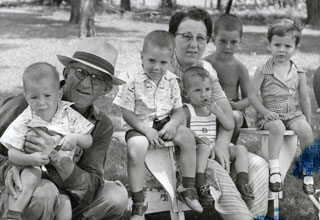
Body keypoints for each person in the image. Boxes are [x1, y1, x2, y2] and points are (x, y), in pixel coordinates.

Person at [0, 38, 129, 220]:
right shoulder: (32, 103)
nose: (85, 84)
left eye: (97, 79)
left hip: (67, 196)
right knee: (46, 194)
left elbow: (91, 185)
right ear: (66, 73)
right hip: (23, 189)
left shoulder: (101, 125)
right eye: (81, 72)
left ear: (106, 89)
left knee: (116, 196)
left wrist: (59, 159)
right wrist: (9, 167)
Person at [169, 7, 269, 220]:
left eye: (200, 38)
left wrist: (223, 143)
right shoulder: (162, 68)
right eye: (186, 36)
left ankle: (256, 215)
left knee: (259, 165)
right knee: (215, 169)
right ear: (172, 37)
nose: (194, 44)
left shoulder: (205, 68)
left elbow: (224, 109)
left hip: (210, 141)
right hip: (183, 151)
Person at [113, 30, 203, 220]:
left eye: (163, 62)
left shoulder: (172, 81)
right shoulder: (132, 81)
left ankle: (187, 187)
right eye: (152, 60)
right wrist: (146, 130)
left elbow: (178, 110)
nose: (156, 67)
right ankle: (139, 202)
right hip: (138, 124)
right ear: (142, 57)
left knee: (187, 136)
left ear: (170, 61)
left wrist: (173, 124)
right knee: (136, 148)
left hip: (164, 123)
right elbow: (126, 112)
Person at [0, 62, 95, 220]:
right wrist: (29, 159)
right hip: (34, 169)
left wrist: (75, 137)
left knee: (65, 205)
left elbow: (88, 140)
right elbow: (12, 153)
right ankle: (13, 215)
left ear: (58, 94)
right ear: (26, 97)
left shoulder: (69, 114)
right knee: (31, 175)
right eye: (34, 97)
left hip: (61, 176)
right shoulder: (26, 118)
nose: (41, 102)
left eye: (47, 96)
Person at [249, 18, 314, 194]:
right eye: (277, 45)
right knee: (277, 127)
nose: (282, 50)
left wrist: (307, 120)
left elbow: (304, 98)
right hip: (270, 112)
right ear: (268, 44)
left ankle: (307, 169)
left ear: (295, 48)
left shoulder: (298, 72)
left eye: (287, 46)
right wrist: (264, 112)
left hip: (292, 112)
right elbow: (252, 95)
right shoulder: (263, 69)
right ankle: (274, 169)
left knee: (307, 131)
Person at [183, 66, 254, 201]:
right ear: (187, 94)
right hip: (200, 150)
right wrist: (194, 136)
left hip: (216, 148)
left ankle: (242, 181)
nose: (204, 94)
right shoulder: (187, 111)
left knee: (241, 149)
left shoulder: (214, 109)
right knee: (203, 148)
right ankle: (200, 182)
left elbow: (229, 125)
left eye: (208, 89)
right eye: (198, 90)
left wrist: (219, 112)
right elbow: (181, 131)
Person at [204, 14, 250, 144]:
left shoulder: (240, 68)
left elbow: (249, 98)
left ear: (241, 42)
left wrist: (235, 105)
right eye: (223, 41)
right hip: (210, 107)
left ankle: (229, 145)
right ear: (213, 39)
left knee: (234, 117)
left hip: (233, 109)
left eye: (233, 42)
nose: (228, 46)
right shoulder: (205, 63)